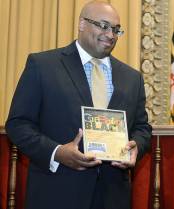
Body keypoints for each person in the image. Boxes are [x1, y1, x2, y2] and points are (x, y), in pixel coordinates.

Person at [5, 1, 152, 209]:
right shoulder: (43, 65)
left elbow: (142, 128)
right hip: (56, 192)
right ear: (82, 24)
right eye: (103, 25)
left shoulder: (132, 78)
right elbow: (18, 124)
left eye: (116, 29)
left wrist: (136, 146)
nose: (110, 34)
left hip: (112, 197)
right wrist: (57, 152)